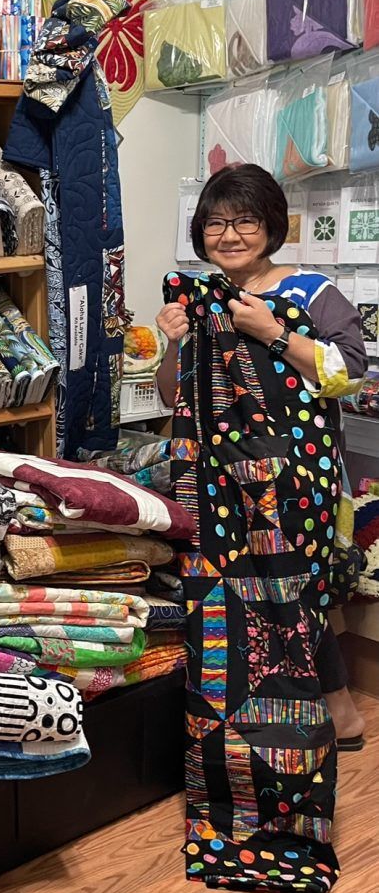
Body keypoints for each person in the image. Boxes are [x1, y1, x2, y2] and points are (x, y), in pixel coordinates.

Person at [155, 164, 368, 750]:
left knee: (293, 585)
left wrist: (273, 333)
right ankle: (268, 724)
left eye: (244, 220)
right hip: (219, 478)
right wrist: (173, 344)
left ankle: (333, 716)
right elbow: (176, 396)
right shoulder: (198, 298)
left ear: (271, 225)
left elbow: (351, 373)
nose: (229, 235)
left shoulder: (309, 292)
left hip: (296, 473)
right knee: (237, 591)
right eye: (215, 223)